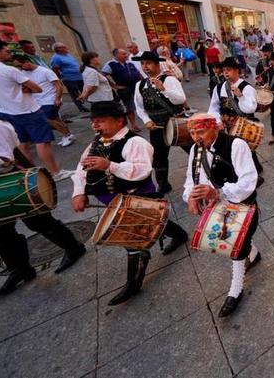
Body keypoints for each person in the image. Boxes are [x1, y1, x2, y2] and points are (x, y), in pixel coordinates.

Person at [71, 101, 188, 306]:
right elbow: (82, 169)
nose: (96, 125)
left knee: (131, 239)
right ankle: (179, 234)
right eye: (93, 121)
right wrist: (79, 192)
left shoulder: (135, 143)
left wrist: (110, 165)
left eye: (101, 121)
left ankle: (133, 283)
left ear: (119, 120)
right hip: (112, 200)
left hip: (135, 197)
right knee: (155, 222)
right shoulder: (96, 143)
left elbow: (142, 171)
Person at [183, 114, 261, 317]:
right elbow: (192, 178)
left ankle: (235, 290)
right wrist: (191, 196)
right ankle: (254, 254)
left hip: (242, 205)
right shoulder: (195, 149)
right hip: (218, 206)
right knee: (242, 240)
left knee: (236, 245)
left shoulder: (236, 145)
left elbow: (248, 182)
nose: (196, 137)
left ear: (215, 128)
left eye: (200, 132)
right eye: (192, 133)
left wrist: (219, 193)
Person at [0, 119, 86, 295]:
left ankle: (73, 247)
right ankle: (20, 269)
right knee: (1, 231)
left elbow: (6, 157)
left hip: (12, 175)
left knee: (38, 221)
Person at [0, 42, 72, 181]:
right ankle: (55, 173)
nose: (10, 53)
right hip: (27, 110)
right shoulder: (9, 70)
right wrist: (25, 88)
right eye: (6, 51)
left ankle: (32, 176)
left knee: (22, 144)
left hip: (7, 112)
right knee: (42, 141)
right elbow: (37, 88)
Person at [132, 51, 187, 194]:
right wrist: (147, 120)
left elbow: (180, 99)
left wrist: (164, 90)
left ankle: (208, 173)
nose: (145, 66)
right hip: (156, 126)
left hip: (176, 122)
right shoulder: (140, 85)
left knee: (193, 148)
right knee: (159, 156)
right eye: (143, 64)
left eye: (148, 63)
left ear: (157, 64)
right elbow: (139, 107)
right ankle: (163, 183)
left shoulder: (169, 80)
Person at [207, 57, 264, 179]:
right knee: (233, 149)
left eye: (229, 70)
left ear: (237, 71)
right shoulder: (219, 88)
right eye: (224, 70)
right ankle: (244, 170)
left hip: (244, 126)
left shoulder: (247, 87)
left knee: (247, 149)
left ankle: (254, 171)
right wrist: (217, 121)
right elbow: (213, 107)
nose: (225, 72)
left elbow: (251, 108)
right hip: (226, 126)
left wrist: (240, 96)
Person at [17, 54, 75, 147]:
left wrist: (57, 98)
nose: (20, 68)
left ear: (27, 62)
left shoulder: (45, 71)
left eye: (20, 65)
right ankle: (67, 135)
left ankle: (68, 135)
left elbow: (58, 85)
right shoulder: (23, 73)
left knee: (47, 120)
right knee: (55, 120)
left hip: (50, 100)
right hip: (38, 102)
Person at [102, 48, 142, 131]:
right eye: (123, 54)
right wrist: (114, 85)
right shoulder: (111, 64)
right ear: (116, 55)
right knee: (130, 108)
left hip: (136, 88)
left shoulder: (129, 63)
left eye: (126, 53)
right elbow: (103, 75)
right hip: (125, 90)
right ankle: (133, 125)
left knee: (141, 105)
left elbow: (138, 73)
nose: (126, 55)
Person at [50, 42, 88, 112]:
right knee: (74, 93)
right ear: (58, 49)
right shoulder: (56, 58)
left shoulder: (68, 55)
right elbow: (55, 69)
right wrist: (59, 77)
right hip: (69, 78)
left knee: (85, 90)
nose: (66, 47)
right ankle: (81, 108)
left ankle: (89, 103)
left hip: (79, 76)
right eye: (64, 47)